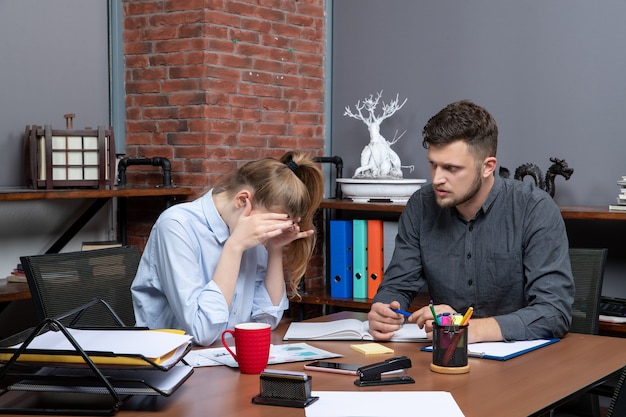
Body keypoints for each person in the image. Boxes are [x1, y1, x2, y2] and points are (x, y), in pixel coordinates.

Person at [367, 100, 574, 343]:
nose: (437, 179)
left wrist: (464, 327)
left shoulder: (534, 209)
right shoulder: (421, 206)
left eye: (451, 168)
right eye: (433, 165)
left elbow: (554, 313)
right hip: (445, 358)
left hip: (522, 364)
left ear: (487, 167)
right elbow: (398, 286)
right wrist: (384, 310)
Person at [131, 152, 324, 346]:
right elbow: (202, 332)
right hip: (173, 362)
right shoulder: (176, 226)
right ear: (242, 200)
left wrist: (275, 248)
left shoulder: (247, 229)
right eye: (268, 224)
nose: (267, 232)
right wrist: (234, 247)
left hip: (224, 356)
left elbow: (266, 320)